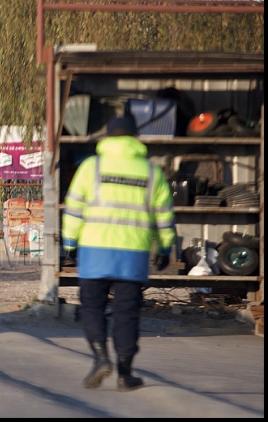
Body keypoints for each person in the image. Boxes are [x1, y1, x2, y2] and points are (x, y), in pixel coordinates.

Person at [62, 114, 175, 392]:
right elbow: (164, 215)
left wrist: (69, 245)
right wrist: (164, 247)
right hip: (132, 254)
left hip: (95, 251)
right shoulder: (152, 172)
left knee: (92, 307)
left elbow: (74, 208)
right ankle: (125, 373)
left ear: (108, 137)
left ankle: (101, 358)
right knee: (127, 312)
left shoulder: (91, 167)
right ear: (136, 138)